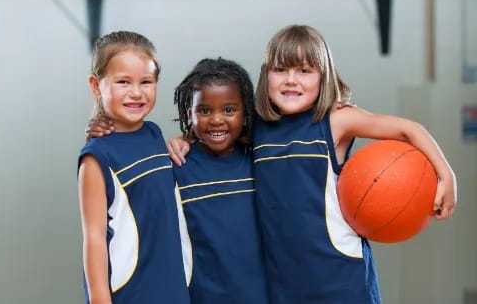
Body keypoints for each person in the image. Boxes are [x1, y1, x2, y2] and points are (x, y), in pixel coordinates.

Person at [166, 24, 457, 304]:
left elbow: (409, 130)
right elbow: (219, 125)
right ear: (267, 76)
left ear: (324, 76)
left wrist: (447, 177)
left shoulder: (336, 122)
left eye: (304, 71)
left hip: (341, 278)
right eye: (280, 70)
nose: (291, 80)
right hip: (285, 286)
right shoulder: (261, 127)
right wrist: (185, 137)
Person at [77, 31, 190, 304]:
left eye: (146, 82)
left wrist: (184, 142)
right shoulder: (96, 156)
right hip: (132, 294)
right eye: (123, 82)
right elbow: (94, 239)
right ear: (96, 86)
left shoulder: (153, 134)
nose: (136, 93)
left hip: (173, 289)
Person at [172, 57, 268, 303]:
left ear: (245, 110)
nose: (216, 120)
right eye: (204, 110)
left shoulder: (260, 162)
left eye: (229, 110)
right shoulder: (176, 166)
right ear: (188, 112)